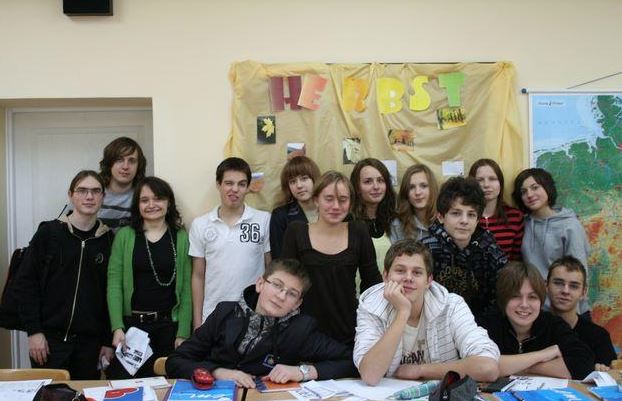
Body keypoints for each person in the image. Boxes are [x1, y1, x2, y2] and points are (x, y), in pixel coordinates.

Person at [166, 259, 357, 387]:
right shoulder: (224, 313)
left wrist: (302, 372)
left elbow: (352, 361)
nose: (281, 296)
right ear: (260, 284)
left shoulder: (301, 329)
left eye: (292, 294)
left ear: (297, 303)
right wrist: (218, 372)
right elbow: (175, 361)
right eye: (277, 285)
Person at [354, 239, 500, 385]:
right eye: (400, 271)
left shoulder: (452, 306)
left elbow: (487, 367)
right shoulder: (371, 307)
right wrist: (403, 312)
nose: (408, 278)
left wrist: (421, 370)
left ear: (429, 281)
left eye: (417, 272)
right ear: (385, 277)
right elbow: (370, 376)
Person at [15, 170, 114, 379]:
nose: (89, 196)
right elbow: (25, 283)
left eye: (95, 191)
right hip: (48, 342)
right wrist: (34, 331)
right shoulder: (49, 233)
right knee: (49, 393)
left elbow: (111, 294)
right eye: (82, 190)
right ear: (70, 195)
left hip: (90, 346)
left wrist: (107, 341)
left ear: (103, 197)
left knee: (84, 393)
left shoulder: (108, 240)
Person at [281, 171, 382, 345]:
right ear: (316, 200)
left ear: (350, 203)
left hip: (350, 331)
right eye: (328, 199)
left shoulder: (358, 231)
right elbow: (285, 283)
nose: (336, 206)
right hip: (305, 333)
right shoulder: (296, 231)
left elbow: (372, 282)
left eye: (343, 199)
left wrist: (370, 326)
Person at [107, 176, 192, 378]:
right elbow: (114, 284)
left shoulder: (181, 237)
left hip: (169, 327)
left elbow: (187, 289)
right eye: (145, 200)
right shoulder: (125, 236)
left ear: (169, 202)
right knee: (125, 386)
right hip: (132, 329)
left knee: (168, 386)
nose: (151, 205)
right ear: (137, 205)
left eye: (158, 198)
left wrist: (183, 332)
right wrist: (117, 327)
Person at [189, 157, 271, 329]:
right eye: (229, 183)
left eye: (241, 184)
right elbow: (198, 276)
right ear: (218, 184)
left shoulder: (264, 220)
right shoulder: (200, 224)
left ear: (248, 187)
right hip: (212, 316)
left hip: (254, 314)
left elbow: (270, 270)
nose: (235, 189)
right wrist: (197, 321)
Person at [477, 262, 594, 379]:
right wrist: (542, 355)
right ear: (504, 299)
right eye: (515, 296)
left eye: (532, 297)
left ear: (541, 300)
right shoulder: (486, 324)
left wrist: (513, 367)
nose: (524, 304)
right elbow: (479, 366)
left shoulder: (553, 324)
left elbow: (583, 365)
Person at [421, 176, 508, 317]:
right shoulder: (424, 250)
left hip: (479, 322)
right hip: (434, 321)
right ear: (441, 217)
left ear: (478, 220)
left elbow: (503, 291)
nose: (464, 221)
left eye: (471, 214)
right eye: (456, 213)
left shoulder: (489, 248)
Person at [512, 168, 590, 314]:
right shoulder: (523, 224)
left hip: (565, 309)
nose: (530, 194)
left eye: (535, 187)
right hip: (534, 308)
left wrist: (574, 315)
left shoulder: (570, 226)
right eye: (523, 191)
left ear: (547, 188)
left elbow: (579, 272)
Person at [547, 256, 616, 371]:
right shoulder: (531, 330)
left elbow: (612, 376)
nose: (565, 291)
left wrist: (602, 372)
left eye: (574, 286)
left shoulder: (599, 337)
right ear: (546, 286)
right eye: (558, 283)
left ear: (583, 292)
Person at [468, 159, 524, 260]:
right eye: (479, 180)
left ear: (500, 183)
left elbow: (516, 260)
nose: (486, 185)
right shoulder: (463, 217)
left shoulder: (515, 216)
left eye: (492, 179)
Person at [270, 156, 321, 259]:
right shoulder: (280, 215)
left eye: (304, 179)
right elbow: (279, 258)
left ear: (315, 179)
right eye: (292, 181)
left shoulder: (331, 210)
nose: (299, 185)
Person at [98, 137, 147, 231]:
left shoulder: (144, 196)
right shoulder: (92, 192)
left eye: (132, 161)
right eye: (119, 160)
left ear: (139, 165)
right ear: (109, 163)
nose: (125, 166)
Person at [390, 164, 439, 243]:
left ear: (432, 189)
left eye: (423, 186)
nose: (417, 192)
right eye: (411, 187)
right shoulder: (397, 225)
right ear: (405, 192)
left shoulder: (446, 220)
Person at [350, 158, 396, 239]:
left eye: (380, 180)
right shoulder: (348, 222)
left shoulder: (394, 219)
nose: (376, 187)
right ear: (357, 187)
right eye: (368, 182)